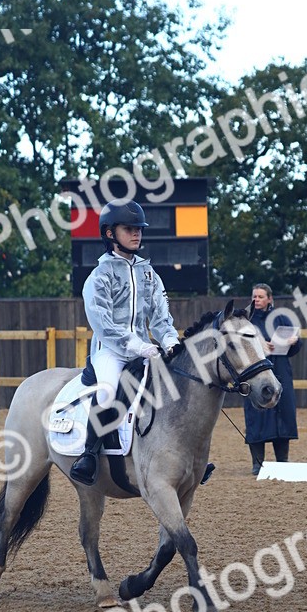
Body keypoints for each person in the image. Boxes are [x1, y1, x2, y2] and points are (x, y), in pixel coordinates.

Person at [69, 200, 180, 486]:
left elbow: (160, 317)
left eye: (138, 229)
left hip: (145, 347)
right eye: (129, 229)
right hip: (110, 351)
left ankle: (182, 455)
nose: (136, 234)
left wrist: (170, 342)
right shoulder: (99, 276)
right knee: (107, 391)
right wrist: (136, 346)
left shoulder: (148, 274)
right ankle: (89, 455)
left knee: (174, 385)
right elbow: (103, 323)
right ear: (109, 234)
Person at [243, 283, 301, 475]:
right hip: (255, 373)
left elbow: (295, 346)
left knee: (282, 414)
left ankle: (282, 462)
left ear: (269, 298)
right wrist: (260, 344)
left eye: (260, 297)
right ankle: (257, 463)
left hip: (280, 370)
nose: (256, 300)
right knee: (257, 416)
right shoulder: (246, 320)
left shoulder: (281, 318)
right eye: (254, 296)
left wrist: (294, 342)